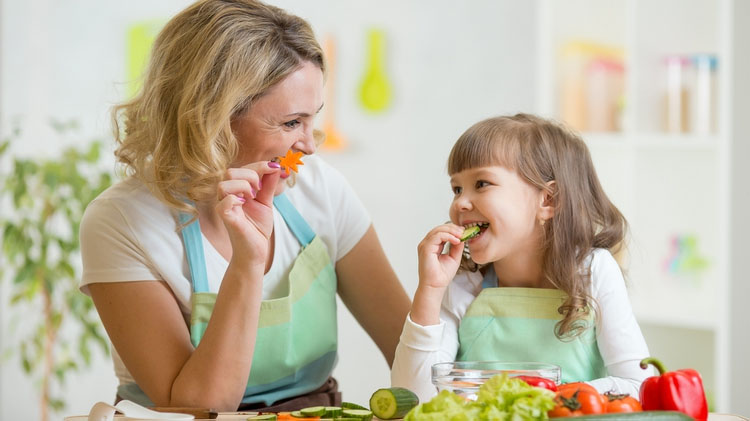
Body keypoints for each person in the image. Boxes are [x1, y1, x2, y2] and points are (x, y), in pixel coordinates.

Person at [79, 0, 410, 412]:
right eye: (291, 123)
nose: (309, 144)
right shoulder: (121, 221)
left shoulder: (320, 188)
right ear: (210, 119)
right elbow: (198, 405)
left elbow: (409, 350)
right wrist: (246, 264)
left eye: (313, 119)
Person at [391, 113, 651, 402]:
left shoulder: (593, 271)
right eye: (457, 188)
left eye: (482, 184)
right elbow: (412, 396)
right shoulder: (464, 284)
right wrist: (430, 290)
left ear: (547, 200)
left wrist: (548, 396)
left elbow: (637, 385)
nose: (460, 203)